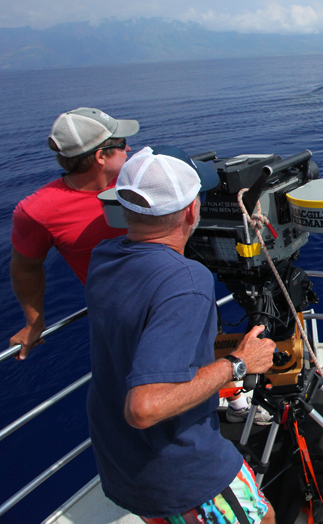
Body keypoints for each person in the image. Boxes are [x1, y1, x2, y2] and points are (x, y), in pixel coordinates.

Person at [86, 145, 277, 523]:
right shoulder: (186, 280)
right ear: (192, 211)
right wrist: (238, 364)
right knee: (264, 517)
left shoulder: (105, 256)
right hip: (181, 472)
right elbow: (145, 407)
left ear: (126, 209)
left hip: (121, 461)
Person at [9, 107, 137, 360]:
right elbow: (25, 267)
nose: (130, 149)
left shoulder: (140, 176)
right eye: (122, 144)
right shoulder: (38, 211)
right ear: (101, 156)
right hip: (124, 320)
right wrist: (34, 322)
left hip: (178, 293)